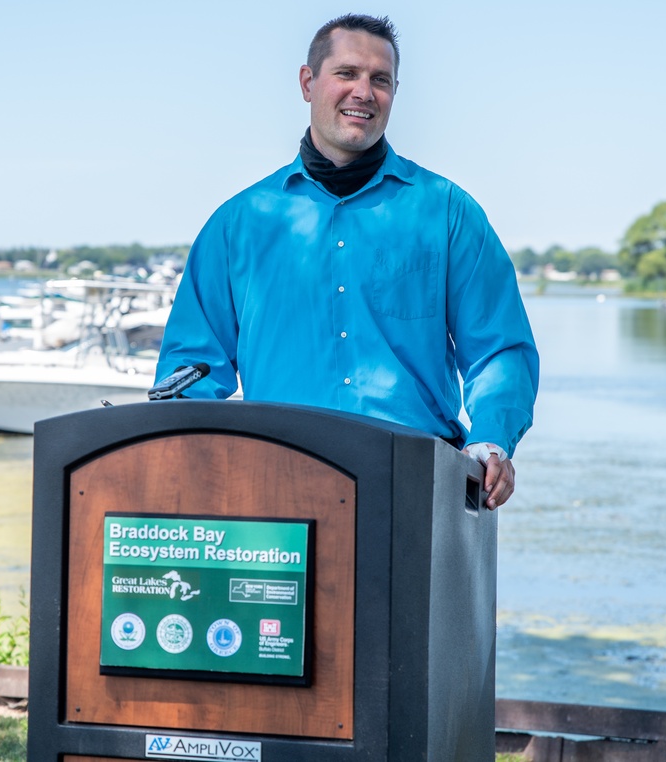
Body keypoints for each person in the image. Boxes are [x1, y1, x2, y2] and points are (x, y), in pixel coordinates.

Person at [156, 13, 538, 508]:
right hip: (275, 486)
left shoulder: (447, 213)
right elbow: (193, 365)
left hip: (414, 486)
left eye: (380, 80)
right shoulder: (238, 224)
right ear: (308, 82)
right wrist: (176, 441)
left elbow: (499, 350)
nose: (364, 91)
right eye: (347, 73)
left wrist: (490, 437)